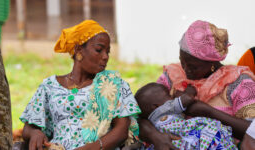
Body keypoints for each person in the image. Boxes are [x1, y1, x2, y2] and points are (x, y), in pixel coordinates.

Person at [19, 20, 141, 150]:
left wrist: (90, 148)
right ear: (78, 50)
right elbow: (29, 126)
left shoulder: (112, 84)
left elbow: (121, 131)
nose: (105, 56)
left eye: (108, 51)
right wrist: (35, 132)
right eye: (99, 50)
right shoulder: (49, 86)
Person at [139, 20, 255, 149]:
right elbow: (141, 113)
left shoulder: (238, 82)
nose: (186, 69)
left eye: (193, 67)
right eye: (182, 61)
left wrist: (207, 111)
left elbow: (252, 131)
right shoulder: (174, 76)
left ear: (212, 63)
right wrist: (155, 136)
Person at [136, 83, 237, 150]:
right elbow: (188, 99)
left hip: (174, 142)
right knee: (209, 131)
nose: (172, 98)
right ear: (156, 106)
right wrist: (188, 91)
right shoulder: (165, 108)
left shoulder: (152, 120)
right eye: (169, 95)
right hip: (183, 133)